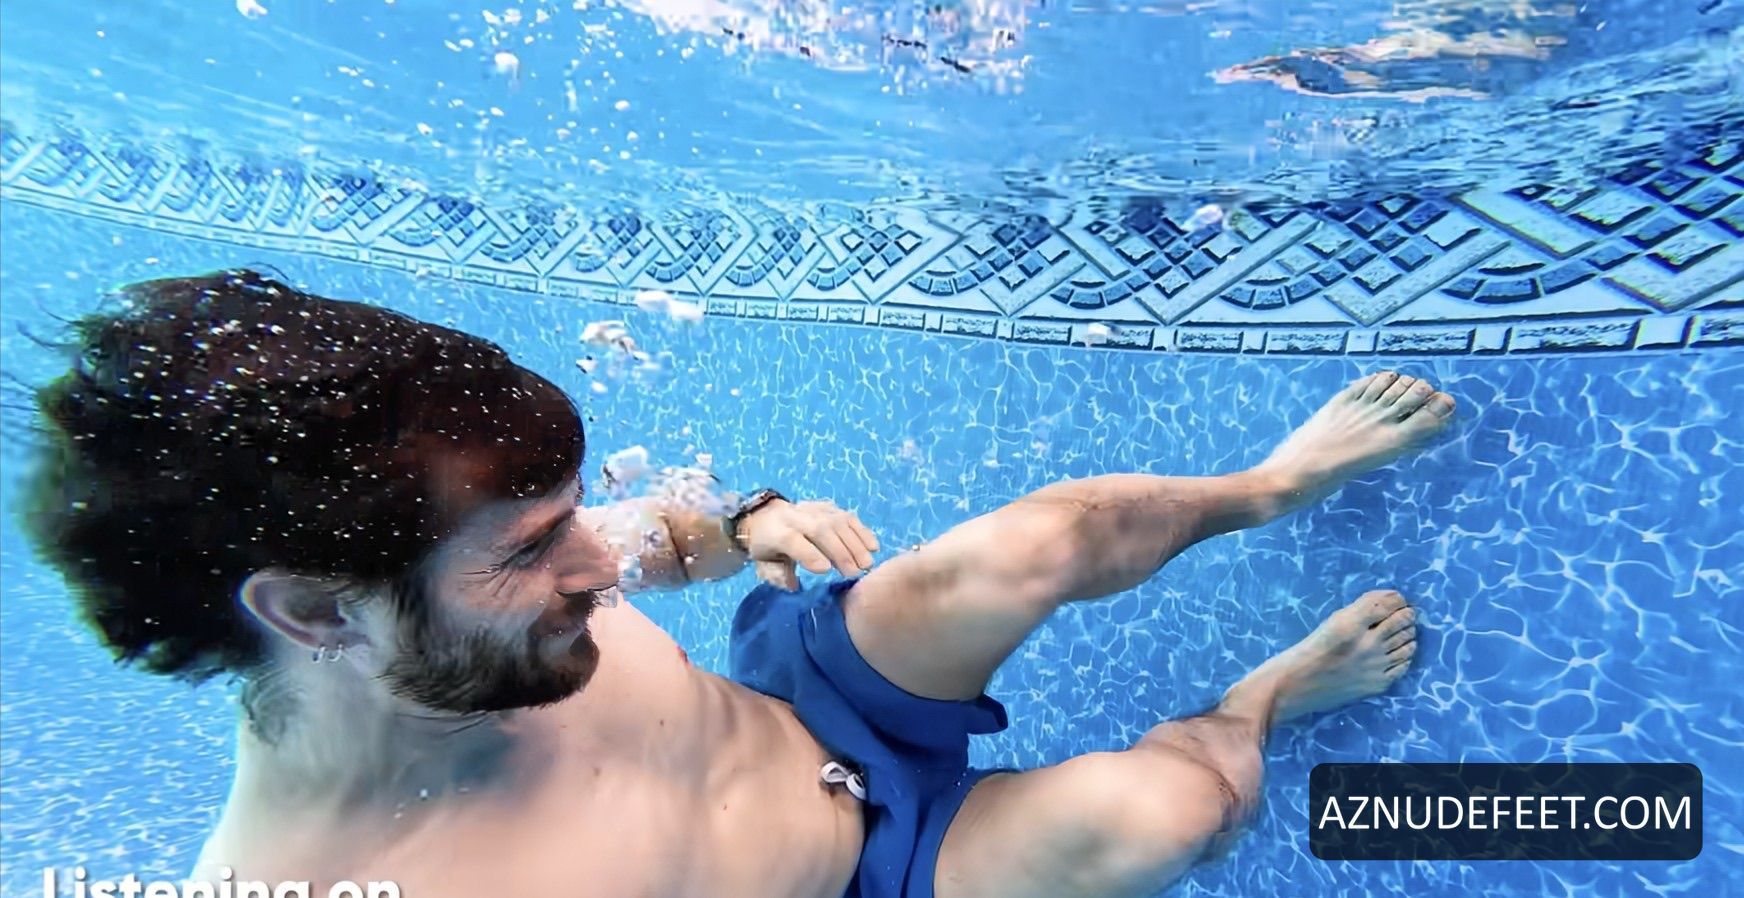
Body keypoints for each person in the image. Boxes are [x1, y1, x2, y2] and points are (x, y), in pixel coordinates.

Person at [24, 269, 1454, 898]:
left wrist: (747, 522)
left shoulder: (443, 594)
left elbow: (662, 536)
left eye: (569, 517)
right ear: (315, 611)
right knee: (1167, 815)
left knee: (1044, 538)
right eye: (531, 551)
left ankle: (1271, 487)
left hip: (805, 701)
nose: (603, 563)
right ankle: (1259, 702)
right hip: (886, 875)